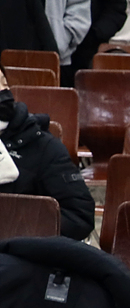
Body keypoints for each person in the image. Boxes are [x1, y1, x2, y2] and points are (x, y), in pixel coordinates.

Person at [0, 68, 95, 238]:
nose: (2, 91)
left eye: (4, 83)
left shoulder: (42, 146)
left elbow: (79, 216)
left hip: (19, 248)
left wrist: (20, 224)